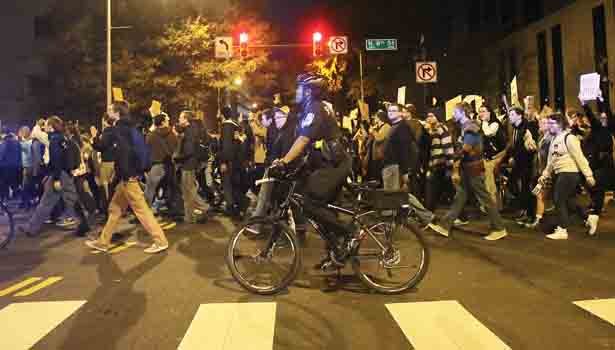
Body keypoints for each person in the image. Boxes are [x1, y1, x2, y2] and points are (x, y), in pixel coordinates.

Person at [85, 101, 169, 254]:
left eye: (110, 109)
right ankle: (103, 242)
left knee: (141, 210)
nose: (108, 110)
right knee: (115, 209)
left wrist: (94, 136)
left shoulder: (115, 130)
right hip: (129, 174)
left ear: (117, 113)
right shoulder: (131, 128)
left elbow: (101, 146)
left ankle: (160, 240)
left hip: (127, 176)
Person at [429, 103, 508, 240]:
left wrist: (454, 160)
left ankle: (499, 228)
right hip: (469, 168)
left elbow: (466, 148)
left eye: (455, 112)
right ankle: (445, 226)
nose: (453, 114)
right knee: (461, 196)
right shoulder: (466, 127)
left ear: (462, 112)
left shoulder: (471, 127)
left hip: (474, 168)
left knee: (484, 198)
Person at [18, 116, 86, 237]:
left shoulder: (54, 140)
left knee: (50, 202)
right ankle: (83, 224)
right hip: (65, 173)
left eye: (46, 125)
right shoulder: (63, 138)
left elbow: (56, 161)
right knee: (68, 200)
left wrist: (55, 178)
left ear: (51, 127)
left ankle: (31, 228)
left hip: (60, 175)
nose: (44, 127)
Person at [536, 113, 595, 240]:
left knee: (558, 199)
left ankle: (562, 229)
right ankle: (589, 217)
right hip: (560, 173)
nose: (549, 126)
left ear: (560, 124)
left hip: (570, 173)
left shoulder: (569, 138)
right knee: (568, 201)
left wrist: (588, 175)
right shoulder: (554, 139)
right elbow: (551, 161)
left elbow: (580, 157)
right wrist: (545, 174)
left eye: (552, 124)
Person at [175, 110, 209, 224]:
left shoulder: (190, 131)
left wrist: (178, 158)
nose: (179, 120)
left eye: (181, 118)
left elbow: (189, 150)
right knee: (187, 191)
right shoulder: (193, 129)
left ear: (186, 119)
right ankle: (189, 217)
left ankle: (204, 207)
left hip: (188, 164)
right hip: (191, 163)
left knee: (189, 191)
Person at [144, 113, 178, 209]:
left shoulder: (151, 135)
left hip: (156, 166)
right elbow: (176, 148)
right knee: (170, 188)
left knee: (150, 190)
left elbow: (146, 150)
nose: (168, 122)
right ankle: (173, 208)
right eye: (167, 120)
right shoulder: (172, 134)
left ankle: (145, 211)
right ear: (163, 122)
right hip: (169, 165)